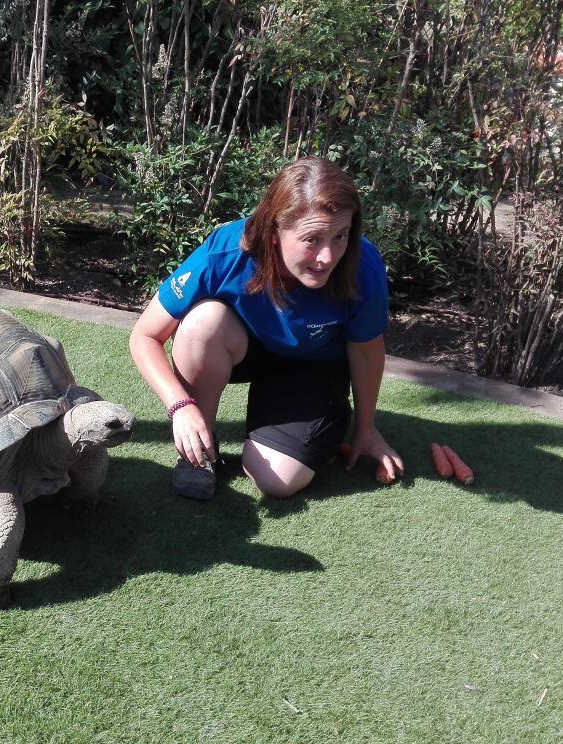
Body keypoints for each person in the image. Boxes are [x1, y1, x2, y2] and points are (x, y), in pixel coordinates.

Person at [129, 156, 404, 500]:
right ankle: (200, 450)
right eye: (312, 238)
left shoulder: (362, 265)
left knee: (277, 480)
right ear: (274, 231)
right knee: (202, 323)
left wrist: (366, 429)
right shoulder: (226, 252)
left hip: (312, 364)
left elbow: (365, 350)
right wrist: (180, 406)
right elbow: (145, 336)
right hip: (245, 346)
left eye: (340, 236)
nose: (327, 256)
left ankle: (310, 422)